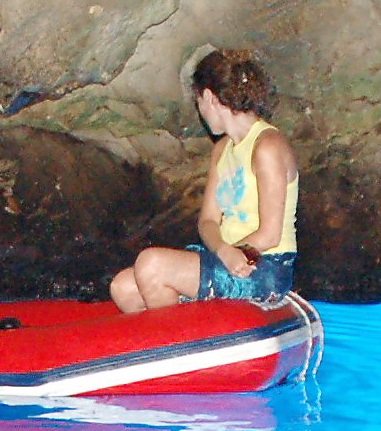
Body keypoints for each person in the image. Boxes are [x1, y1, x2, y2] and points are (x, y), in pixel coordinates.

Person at [111, 49, 299, 313]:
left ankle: (176, 346)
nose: (200, 111)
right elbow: (208, 220)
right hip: (225, 255)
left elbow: (270, 234)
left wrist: (236, 254)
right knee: (123, 286)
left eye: (199, 101)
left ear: (209, 97)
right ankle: (182, 338)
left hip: (264, 264)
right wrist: (222, 250)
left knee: (152, 264)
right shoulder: (222, 150)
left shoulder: (267, 147)